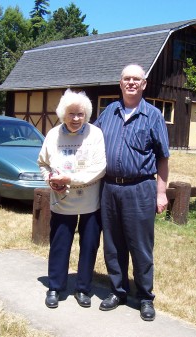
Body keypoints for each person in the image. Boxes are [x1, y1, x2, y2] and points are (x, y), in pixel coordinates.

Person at [94, 64, 170, 321]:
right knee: (113, 245)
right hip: (109, 188)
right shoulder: (108, 113)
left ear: (144, 84)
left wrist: (161, 193)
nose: (131, 83)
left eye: (136, 79)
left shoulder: (153, 116)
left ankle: (145, 297)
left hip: (140, 188)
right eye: (127, 79)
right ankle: (118, 291)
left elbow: (163, 158)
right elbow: (90, 140)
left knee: (140, 246)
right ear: (120, 83)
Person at [38, 89, 106, 309]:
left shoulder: (95, 134)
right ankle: (55, 287)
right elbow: (43, 163)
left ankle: (83, 288)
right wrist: (50, 179)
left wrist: (71, 178)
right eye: (71, 114)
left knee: (88, 246)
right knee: (59, 245)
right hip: (62, 201)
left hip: (90, 202)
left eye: (80, 114)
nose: (76, 119)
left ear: (86, 114)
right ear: (62, 114)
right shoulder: (53, 135)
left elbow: (100, 168)